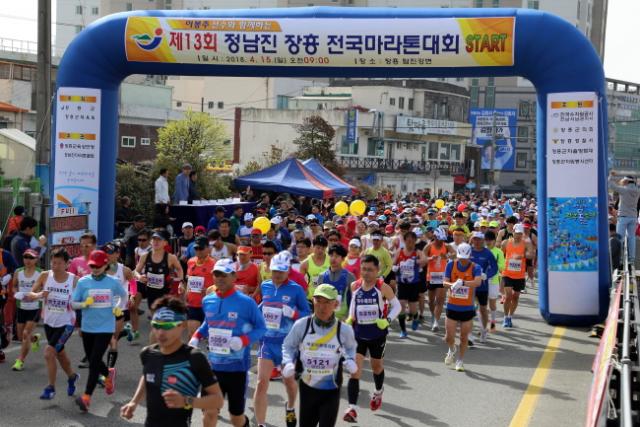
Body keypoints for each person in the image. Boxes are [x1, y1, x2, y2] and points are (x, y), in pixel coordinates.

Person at [120, 296, 224, 427]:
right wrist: (134, 402)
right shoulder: (148, 354)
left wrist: (186, 401)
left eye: (167, 326)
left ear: (182, 325)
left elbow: (218, 400)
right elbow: (147, 375)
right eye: (156, 325)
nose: (160, 333)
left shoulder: (195, 358)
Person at [189, 259, 266, 427]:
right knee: (209, 412)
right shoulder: (208, 300)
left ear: (234, 276)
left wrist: (243, 340)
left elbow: (261, 328)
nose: (220, 278)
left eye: (224, 275)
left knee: (236, 418)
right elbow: (208, 323)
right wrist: (196, 336)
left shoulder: (246, 302)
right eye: (217, 274)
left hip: (236, 369)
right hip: (213, 367)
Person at [282, 284, 358, 427]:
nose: (322, 307)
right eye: (318, 301)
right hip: (308, 388)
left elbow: (351, 348)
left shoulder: (344, 330)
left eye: (327, 302)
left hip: (331, 389)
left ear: (335, 304)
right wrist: (288, 361)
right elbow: (288, 345)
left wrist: (350, 359)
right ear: (313, 301)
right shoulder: (302, 325)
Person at [253, 252, 310, 427]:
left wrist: (293, 314)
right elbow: (264, 306)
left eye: (281, 271)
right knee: (261, 383)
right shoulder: (265, 285)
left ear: (288, 271)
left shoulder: (296, 289)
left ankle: (290, 407)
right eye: (275, 271)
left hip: (287, 344)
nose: (277, 274)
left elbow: (307, 314)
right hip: (267, 342)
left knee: (289, 381)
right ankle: (260, 423)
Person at [343, 255, 401, 423]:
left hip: (377, 335)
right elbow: (353, 304)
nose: (366, 273)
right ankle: (352, 409)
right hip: (358, 335)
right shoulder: (355, 286)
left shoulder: (383, 287)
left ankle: (378, 391)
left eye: (370, 270)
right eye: (364, 269)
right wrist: (350, 318)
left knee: (377, 367)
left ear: (377, 271)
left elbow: (397, 306)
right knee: (355, 371)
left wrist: (387, 321)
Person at [71, 250, 128, 412]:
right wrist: (84, 304)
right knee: (92, 359)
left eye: (98, 266)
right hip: (88, 327)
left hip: (106, 327)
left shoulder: (113, 282)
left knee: (94, 361)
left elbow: (124, 296)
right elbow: (73, 303)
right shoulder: (83, 282)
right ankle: (108, 374)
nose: (95, 269)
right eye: (92, 266)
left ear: (105, 265)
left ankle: (86, 397)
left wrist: (118, 308)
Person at [26, 248, 80, 400]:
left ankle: (50, 388)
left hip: (67, 324)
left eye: (59, 263)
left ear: (67, 264)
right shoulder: (45, 276)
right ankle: (72, 377)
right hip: (49, 322)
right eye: (53, 263)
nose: (55, 266)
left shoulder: (74, 280)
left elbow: (84, 299)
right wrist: (39, 294)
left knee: (49, 353)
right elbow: (31, 294)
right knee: (60, 353)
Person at [134, 230, 184, 337]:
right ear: (151, 241)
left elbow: (179, 269)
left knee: (162, 320)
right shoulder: (145, 256)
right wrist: (139, 277)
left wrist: (179, 280)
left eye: (159, 240)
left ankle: (164, 339)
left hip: (165, 293)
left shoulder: (170, 257)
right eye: (154, 239)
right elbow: (136, 271)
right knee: (156, 320)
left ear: (165, 243)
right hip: (151, 292)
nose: (156, 242)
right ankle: (160, 340)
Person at [443, 243, 482, 372]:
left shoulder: (475, 267)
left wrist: (463, 282)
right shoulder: (451, 265)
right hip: (452, 306)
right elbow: (444, 282)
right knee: (449, 337)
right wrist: (452, 285)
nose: (463, 260)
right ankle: (452, 349)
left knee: (464, 337)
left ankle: (460, 360)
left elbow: (478, 282)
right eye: (461, 258)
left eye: (465, 258)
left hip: (467, 309)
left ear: (470, 256)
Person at [103, 243, 135, 373]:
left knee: (112, 340)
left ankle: (109, 371)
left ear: (117, 254)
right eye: (106, 252)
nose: (107, 255)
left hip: (119, 309)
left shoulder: (124, 270)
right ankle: (125, 332)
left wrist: (132, 296)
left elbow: (132, 283)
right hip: (104, 309)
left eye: (110, 252)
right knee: (106, 337)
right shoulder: (100, 268)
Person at [10, 249, 42, 371]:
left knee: (25, 334)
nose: (28, 260)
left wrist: (36, 295)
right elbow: (14, 286)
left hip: (34, 307)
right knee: (20, 336)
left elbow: (46, 288)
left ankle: (20, 361)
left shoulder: (41, 273)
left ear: (36, 260)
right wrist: (17, 294)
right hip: (21, 307)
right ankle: (34, 339)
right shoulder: (18, 272)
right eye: (26, 257)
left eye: (31, 258)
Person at [394, 231, 427, 337]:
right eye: (408, 241)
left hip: (414, 284)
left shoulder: (417, 252)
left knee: (413, 309)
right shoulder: (400, 251)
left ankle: (415, 317)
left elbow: (425, 260)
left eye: (412, 241)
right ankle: (403, 330)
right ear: (404, 241)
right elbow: (393, 262)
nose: (410, 243)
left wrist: (417, 262)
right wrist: (395, 267)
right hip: (402, 283)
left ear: (415, 241)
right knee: (401, 306)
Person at [501, 223, 534, 328]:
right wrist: (500, 268)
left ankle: (510, 316)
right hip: (507, 273)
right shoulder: (505, 243)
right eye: (517, 233)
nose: (518, 235)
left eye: (520, 233)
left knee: (515, 297)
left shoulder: (526, 243)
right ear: (513, 232)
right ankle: (505, 317)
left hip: (519, 275)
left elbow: (531, 254)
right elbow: (501, 255)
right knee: (508, 296)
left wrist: (522, 255)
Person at [183, 236, 216, 338]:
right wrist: (185, 294)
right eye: (196, 248)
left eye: (201, 248)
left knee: (211, 339)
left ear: (208, 248)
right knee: (192, 335)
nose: (198, 251)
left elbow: (221, 284)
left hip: (209, 304)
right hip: (193, 304)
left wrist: (210, 289)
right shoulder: (190, 261)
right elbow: (189, 280)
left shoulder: (214, 264)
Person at [469, 231, 498, 343]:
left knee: (483, 310)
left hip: (483, 286)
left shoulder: (488, 253)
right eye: (475, 239)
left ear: (483, 241)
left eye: (479, 239)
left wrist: (487, 275)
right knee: (469, 309)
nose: (476, 241)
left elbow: (494, 268)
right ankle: (469, 334)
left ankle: (484, 330)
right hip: (470, 285)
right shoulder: (469, 251)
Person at [424, 228, 455, 332]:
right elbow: (422, 258)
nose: (441, 241)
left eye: (443, 239)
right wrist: (430, 258)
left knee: (440, 300)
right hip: (431, 277)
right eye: (439, 239)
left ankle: (436, 322)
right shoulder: (429, 246)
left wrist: (447, 256)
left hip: (442, 277)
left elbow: (455, 254)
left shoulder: (447, 246)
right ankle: (433, 315)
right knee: (431, 301)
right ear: (435, 237)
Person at [609, 171, 640, 265]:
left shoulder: (624, 190)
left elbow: (610, 185)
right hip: (633, 217)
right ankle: (631, 259)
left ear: (626, 181)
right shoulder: (638, 190)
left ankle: (620, 258)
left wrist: (611, 176)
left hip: (623, 217)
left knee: (619, 238)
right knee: (632, 238)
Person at [319, 244, 356, 321]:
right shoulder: (322, 276)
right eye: (331, 255)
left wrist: (348, 318)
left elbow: (354, 301)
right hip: (325, 319)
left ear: (343, 258)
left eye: (336, 256)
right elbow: (318, 300)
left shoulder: (350, 277)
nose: (333, 258)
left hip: (343, 319)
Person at [485, 230, 505, 331]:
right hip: (482, 282)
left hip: (494, 282)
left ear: (494, 240)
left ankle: (492, 322)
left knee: (492, 304)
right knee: (482, 305)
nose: (488, 242)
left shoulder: (499, 252)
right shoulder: (482, 251)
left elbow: (502, 267)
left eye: (490, 240)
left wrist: (493, 265)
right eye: (486, 240)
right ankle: (483, 326)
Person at [299, 236, 330, 300]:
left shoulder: (331, 261)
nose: (320, 250)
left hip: (327, 298)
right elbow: (300, 281)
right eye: (318, 247)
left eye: (323, 248)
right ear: (313, 247)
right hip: (311, 298)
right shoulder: (305, 263)